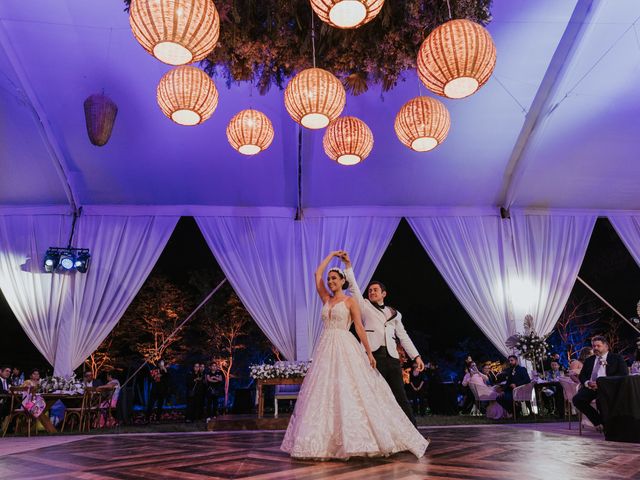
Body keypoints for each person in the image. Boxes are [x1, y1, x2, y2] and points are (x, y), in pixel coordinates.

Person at [281, 251, 428, 459]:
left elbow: (359, 327)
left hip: (346, 345)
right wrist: (331, 255)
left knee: (359, 390)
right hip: (326, 348)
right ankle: (325, 440)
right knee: (325, 392)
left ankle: (395, 433)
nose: (330, 281)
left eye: (334, 278)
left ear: (343, 281)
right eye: (329, 279)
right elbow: (316, 274)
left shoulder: (351, 302)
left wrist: (368, 353)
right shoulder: (326, 298)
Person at [342, 252, 424, 426]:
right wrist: (348, 266)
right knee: (373, 395)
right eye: (370, 290)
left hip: (392, 359)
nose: (371, 292)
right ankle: (378, 434)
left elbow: (403, 336)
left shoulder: (394, 313)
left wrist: (416, 357)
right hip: (373, 357)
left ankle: (413, 432)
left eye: (375, 290)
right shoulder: (363, 306)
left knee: (399, 396)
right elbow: (354, 287)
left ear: (383, 294)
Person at [572, 336, 628, 432]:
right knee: (577, 399)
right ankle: (598, 421)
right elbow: (582, 375)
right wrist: (587, 383)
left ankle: (609, 427)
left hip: (608, 387)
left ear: (606, 346)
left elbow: (623, 374)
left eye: (598, 346)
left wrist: (603, 383)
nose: (596, 348)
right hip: (591, 387)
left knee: (601, 401)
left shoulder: (616, 358)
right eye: (594, 346)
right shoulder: (589, 360)